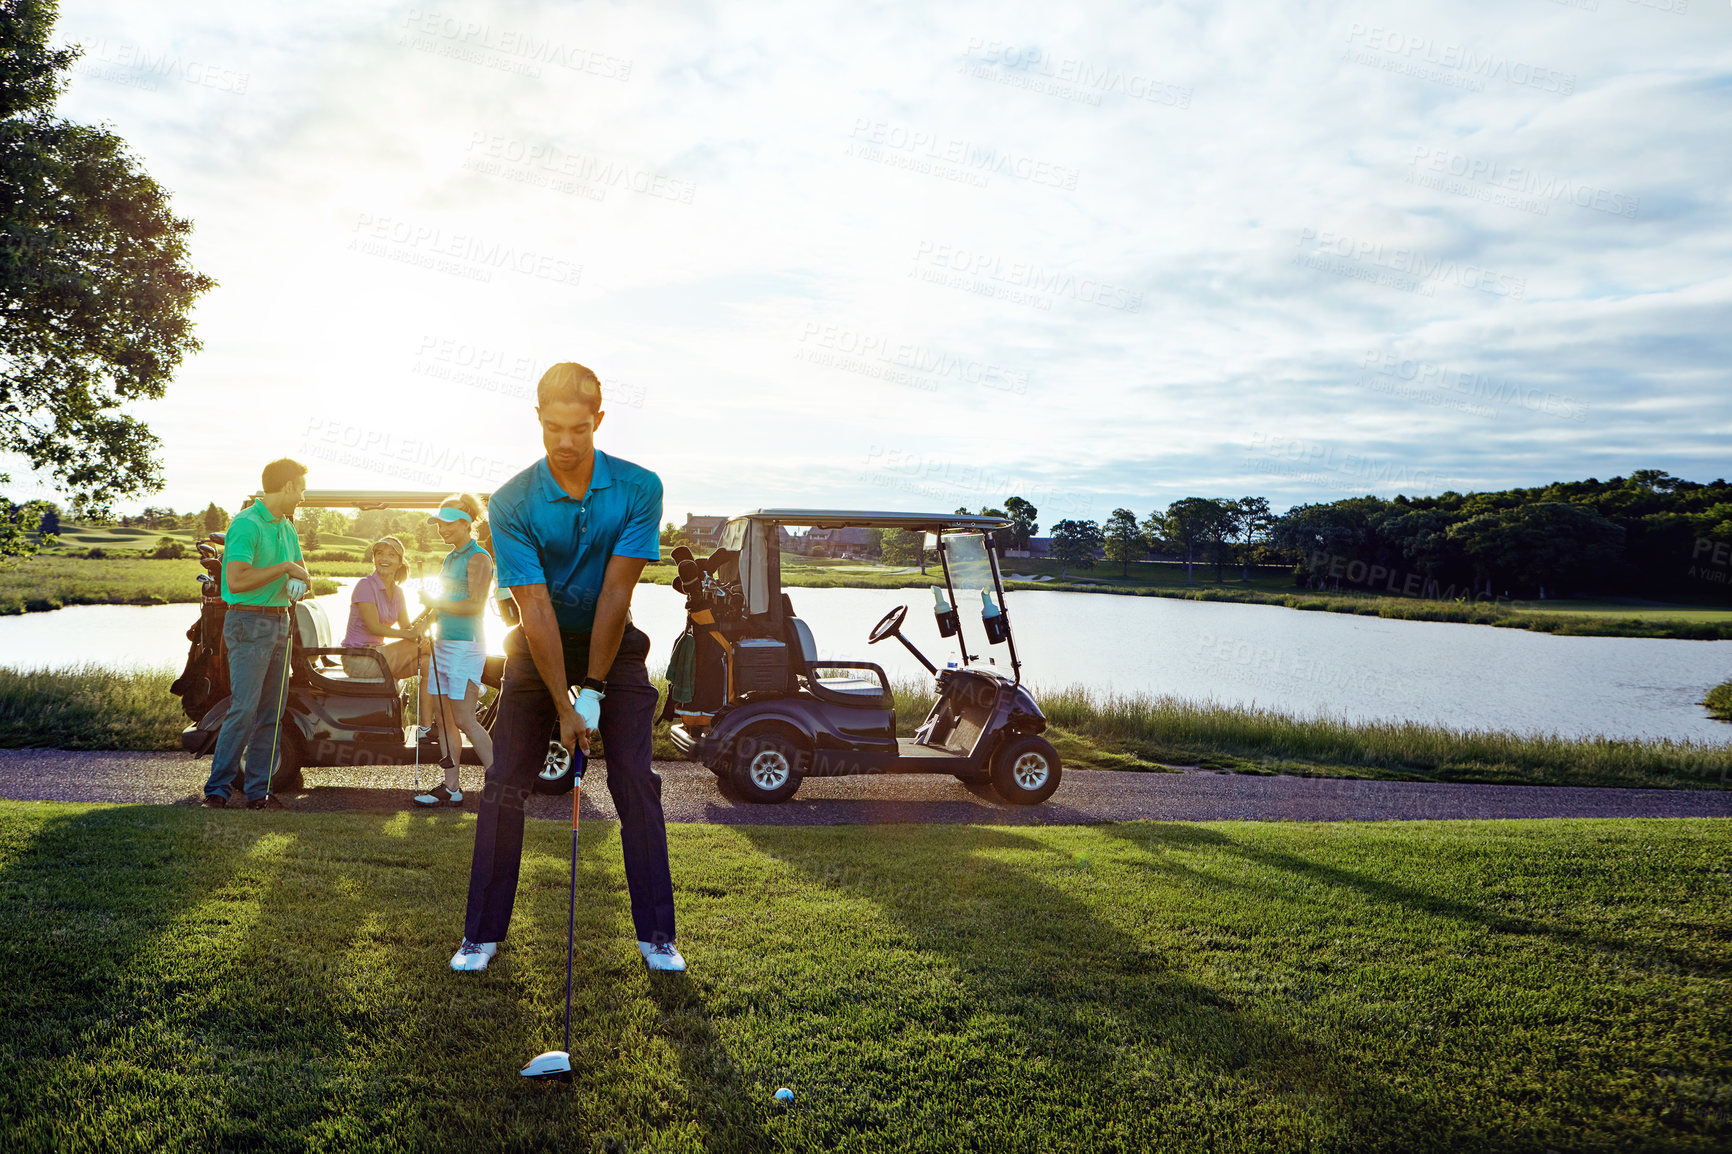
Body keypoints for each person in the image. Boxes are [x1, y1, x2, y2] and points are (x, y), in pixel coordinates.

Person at [453, 361, 680, 973]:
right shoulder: (511, 501)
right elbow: (533, 607)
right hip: (534, 649)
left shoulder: (638, 488)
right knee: (503, 785)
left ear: (598, 421)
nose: (565, 442)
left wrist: (596, 692)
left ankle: (657, 935)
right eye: (553, 427)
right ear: (538, 420)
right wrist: (563, 704)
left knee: (635, 781)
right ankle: (481, 934)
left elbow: (614, 597)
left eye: (579, 428)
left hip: (616, 648)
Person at [203, 458, 310, 810]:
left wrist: (296, 582)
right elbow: (236, 580)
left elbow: (302, 575)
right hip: (248, 622)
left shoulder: (287, 527)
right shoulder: (247, 524)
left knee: (271, 712)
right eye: (301, 489)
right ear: (289, 486)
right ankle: (217, 791)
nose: (303, 498)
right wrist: (284, 568)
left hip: (280, 622)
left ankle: (258, 792)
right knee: (245, 708)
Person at [413, 494, 495, 807]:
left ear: (465, 523)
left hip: (466, 645)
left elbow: (473, 604)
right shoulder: (451, 557)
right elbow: (445, 601)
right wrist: (426, 621)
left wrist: (435, 603)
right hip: (443, 644)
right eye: (438, 525)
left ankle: (498, 779)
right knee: (445, 720)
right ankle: (452, 787)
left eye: (447, 524)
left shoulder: (479, 558)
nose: (441, 530)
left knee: (463, 718)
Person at [340, 536, 429, 682]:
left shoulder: (398, 593)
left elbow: (407, 627)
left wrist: (423, 626)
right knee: (428, 648)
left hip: (377, 655)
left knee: (427, 664)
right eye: (379, 553)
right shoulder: (365, 585)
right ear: (374, 559)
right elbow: (375, 627)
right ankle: (473, 681)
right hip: (359, 658)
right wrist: (410, 634)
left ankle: (436, 706)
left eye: (391, 555)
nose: (384, 558)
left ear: (400, 562)